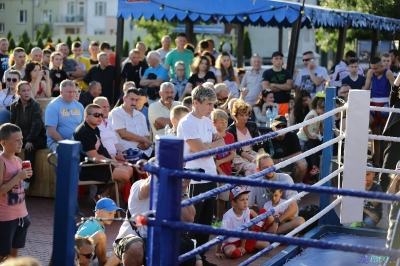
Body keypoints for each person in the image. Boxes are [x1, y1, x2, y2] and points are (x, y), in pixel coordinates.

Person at [177, 85, 224, 266]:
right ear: (195, 103)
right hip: (195, 177)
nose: (212, 108)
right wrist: (208, 146)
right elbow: (201, 151)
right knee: (193, 221)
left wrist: (207, 146)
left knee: (205, 222)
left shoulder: (205, 120)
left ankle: (201, 259)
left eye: (213, 104)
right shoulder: (187, 123)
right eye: (209, 104)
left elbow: (221, 140)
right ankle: (191, 260)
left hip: (210, 174)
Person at [73, 104, 131, 201]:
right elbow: (94, 157)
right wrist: (112, 162)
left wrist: (113, 157)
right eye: (96, 115)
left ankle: (102, 197)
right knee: (124, 175)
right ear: (87, 116)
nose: (100, 118)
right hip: (87, 168)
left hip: (97, 165)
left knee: (129, 169)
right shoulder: (84, 132)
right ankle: (106, 200)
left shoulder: (94, 128)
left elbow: (101, 149)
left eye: (101, 115)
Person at [248, 153, 305, 234]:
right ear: (258, 170)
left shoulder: (285, 178)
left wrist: (276, 222)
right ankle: (273, 235)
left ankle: (266, 235)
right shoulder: (254, 184)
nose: (270, 170)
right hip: (267, 222)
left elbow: (293, 208)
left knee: (300, 221)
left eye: (271, 166)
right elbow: (246, 207)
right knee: (246, 217)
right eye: (265, 168)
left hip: (285, 220)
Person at [0, 123, 33, 262]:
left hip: (21, 214)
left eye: (22, 139)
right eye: (16, 140)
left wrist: (25, 175)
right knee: (3, 255)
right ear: (4, 143)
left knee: (14, 254)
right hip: (5, 217)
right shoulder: (1, 162)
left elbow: (18, 185)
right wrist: (18, 177)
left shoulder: (19, 160)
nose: (21, 143)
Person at [215, 186, 270, 259]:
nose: (245, 202)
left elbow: (245, 229)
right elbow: (221, 234)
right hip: (229, 243)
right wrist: (217, 251)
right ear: (234, 203)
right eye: (242, 200)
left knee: (267, 245)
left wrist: (242, 246)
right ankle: (248, 249)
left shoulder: (246, 210)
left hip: (242, 240)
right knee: (232, 253)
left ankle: (244, 250)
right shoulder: (228, 216)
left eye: (247, 199)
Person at [10, 81, 46, 190]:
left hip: (37, 138)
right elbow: (12, 124)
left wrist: (30, 140)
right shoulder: (14, 106)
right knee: (9, 148)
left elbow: (37, 125)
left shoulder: (35, 105)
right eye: (23, 91)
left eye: (28, 90)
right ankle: (10, 177)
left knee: (29, 149)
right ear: (18, 93)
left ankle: (27, 180)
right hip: (21, 137)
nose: (26, 93)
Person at [364, 57, 395, 167]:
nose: (374, 71)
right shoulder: (371, 73)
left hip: (386, 105)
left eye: (376, 68)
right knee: (375, 137)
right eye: (372, 68)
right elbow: (366, 88)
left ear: (382, 66)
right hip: (374, 105)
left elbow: (394, 88)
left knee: (386, 137)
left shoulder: (388, 73)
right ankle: (376, 164)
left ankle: (386, 164)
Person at [76, 198, 124, 266]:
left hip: (93, 259)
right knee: (100, 235)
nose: (112, 217)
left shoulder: (101, 226)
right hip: (84, 261)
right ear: (98, 212)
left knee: (120, 250)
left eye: (114, 214)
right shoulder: (92, 223)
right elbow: (77, 243)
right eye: (109, 213)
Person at [110, 88, 153, 159]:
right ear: (124, 98)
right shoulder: (116, 113)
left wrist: (145, 143)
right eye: (132, 99)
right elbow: (123, 134)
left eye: (136, 100)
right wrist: (144, 140)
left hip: (146, 151)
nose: (134, 103)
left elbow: (146, 135)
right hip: (128, 153)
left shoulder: (140, 115)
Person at [263, 116, 308, 183]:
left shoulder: (292, 135)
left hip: (289, 164)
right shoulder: (267, 138)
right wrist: (273, 161)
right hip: (274, 167)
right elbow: (263, 157)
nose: (281, 128)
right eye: (278, 126)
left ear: (287, 127)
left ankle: (296, 186)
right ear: (273, 128)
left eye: (284, 126)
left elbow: (299, 153)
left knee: (303, 164)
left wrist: (281, 160)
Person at [211, 109, 235, 227]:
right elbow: (213, 158)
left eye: (226, 122)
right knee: (213, 198)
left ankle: (219, 219)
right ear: (213, 123)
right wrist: (220, 170)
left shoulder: (230, 136)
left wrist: (220, 162)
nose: (224, 124)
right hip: (215, 173)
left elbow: (232, 154)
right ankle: (212, 218)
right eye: (221, 122)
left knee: (223, 198)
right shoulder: (212, 136)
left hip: (226, 172)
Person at [227, 100, 264, 176]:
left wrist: (262, 157)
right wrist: (253, 160)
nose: (245, 118)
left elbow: (259, 144)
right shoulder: (230, 130)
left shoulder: (252, 125)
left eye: (246, 115)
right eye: (241, 115)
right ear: (235, 115)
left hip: (253, 154)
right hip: (238, 157)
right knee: (253, 167)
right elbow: (238, 150)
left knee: (266, 164)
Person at [45, 80, 84, 152]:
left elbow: (83, 127)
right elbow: (51, 132)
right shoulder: (53, 106)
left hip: (76, 142)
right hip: (57, 142)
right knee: (67, 156)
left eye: (74, 92)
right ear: (61, 92)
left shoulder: (79, 106)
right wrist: (67, 144)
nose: (72, 94)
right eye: (69, 92)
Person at [297, 93, 325, 177]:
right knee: (310, 150)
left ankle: (314, 169)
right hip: (303, 139)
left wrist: (320, 134)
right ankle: (313, 167)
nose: (324, 112)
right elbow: (304, 126)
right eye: (323, 109)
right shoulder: (313, 114)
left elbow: (319, 127)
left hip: (310, 140)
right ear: (318, 107)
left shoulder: (319, 116)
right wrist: (310, 136)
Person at [380, 75, 400, 192]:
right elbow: (394, 89)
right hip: (396, 141)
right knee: (387, 169)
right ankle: (378, 201)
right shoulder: (396, 102)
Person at [362, 164, 382, 229]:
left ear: (373, 174)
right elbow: (356, 204)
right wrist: (368, 213)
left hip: (374, 211)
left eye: (368, 174)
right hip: (363, 210)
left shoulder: (377, 187)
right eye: (363, 174)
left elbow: (375, 204)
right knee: (352, 222)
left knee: (368, 224)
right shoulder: (359, 185)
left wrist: (366, 192)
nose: (365, 177)